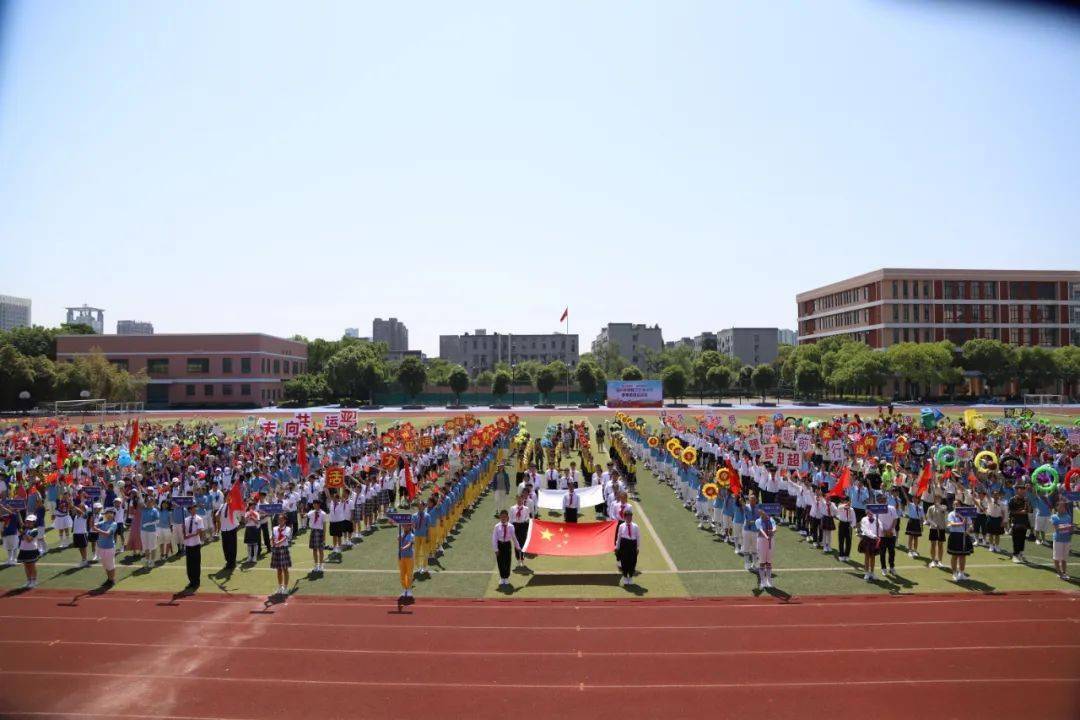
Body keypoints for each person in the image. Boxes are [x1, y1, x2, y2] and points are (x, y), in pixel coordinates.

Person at [492, 509, 520, 588]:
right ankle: (502, 577)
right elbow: (494, 538)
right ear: (500, 517)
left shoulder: (511, 527)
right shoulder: (497, 526)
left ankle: (506, 577)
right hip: (500, 545)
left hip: (507, 545)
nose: (503, 518)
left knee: (507, 561)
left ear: (508, 517)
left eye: (505, 517)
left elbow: (514, 537)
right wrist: (496, 549)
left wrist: (517, 546)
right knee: (500, 561)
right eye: (502, 517)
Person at [946, 503, 973, 582]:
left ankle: (961, 573)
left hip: (964, 536)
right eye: (955, 505)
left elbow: (970, 524)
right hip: (955, 535)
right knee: (954, 555)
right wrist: (961, 523)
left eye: (958, 505)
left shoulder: (965, 514)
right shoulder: (951, 514)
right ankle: (954, 573)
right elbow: (951, 524)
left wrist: (968, 530)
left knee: (963, 555)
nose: (956, 506)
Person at [93, 507, 119, 586]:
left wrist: (97, 529)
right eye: (106, 513)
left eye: (108, 513)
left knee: (110, 565)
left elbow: (107, 534)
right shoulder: (103, 522)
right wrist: (91, 520)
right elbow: (94, 526)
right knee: (105, 565)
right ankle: (109, 579)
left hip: (109, 548)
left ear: (112, 515)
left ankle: (112, 580)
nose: (106, 514)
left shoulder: (114, 524)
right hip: (101, 547)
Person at [182, 502, 204, 591]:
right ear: (189, 510)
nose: (194, 509)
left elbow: (199, 532)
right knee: (189, 564)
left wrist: (188, 536)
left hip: (195, 544)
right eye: (192, 508)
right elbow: (184, 531)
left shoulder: (199, 519)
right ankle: (191, 581)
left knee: (196, 564)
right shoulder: (186, 519)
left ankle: (196, 581)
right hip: (188, 544)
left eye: (195, 507)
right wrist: (183, 531)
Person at [1007, 485, 1032, 564]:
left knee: (1022, 539)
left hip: (1024, 522)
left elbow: (1030, 510)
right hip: (1015, 522)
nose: (1022, 491)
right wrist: (1021, 512)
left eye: (1023, 490)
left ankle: (1020, 553)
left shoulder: (1026, 500)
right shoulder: (1012, 500)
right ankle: (1015, 555)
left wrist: (1027, 504)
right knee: (1016, 540)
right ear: (1017, 490)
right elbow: (1011, 511)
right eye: (1020, 489)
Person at [616, 507, 640, 586]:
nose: (629, 518)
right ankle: (625, 576)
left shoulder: (635, 526)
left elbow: (638, 537)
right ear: (624, 517)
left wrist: (637, 547)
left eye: (630, 516)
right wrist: (617, 546)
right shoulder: (621, 526)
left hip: (632, 544)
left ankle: (631, 577)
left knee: (632, 561)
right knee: (624, 561)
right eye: (627, 517)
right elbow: (619, 537)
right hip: (624, 544)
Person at [1049, 499, 1073, 581]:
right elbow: (1057, 529)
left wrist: (1069, 528)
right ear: (1056, 507)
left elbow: (1069, 529)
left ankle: (1064, 573)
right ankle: (1060, 573)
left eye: (1064, 506)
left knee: (1064, 558)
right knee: (1056, 558)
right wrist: (1067, 527)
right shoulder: (1054, 517)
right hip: (1058, 540)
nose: (1063, 507)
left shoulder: (1068, 516)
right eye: (1061, 506)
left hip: (1067, 540)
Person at [270, 513, 293, 595]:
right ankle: (280, 586)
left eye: (281, 519)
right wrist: (272, 541)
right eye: (279, 519)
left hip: (284, 549)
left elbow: (285, 538)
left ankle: (286, 587)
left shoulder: (288, 529)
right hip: (276, 550)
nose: (280, 521)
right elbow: (272, 538)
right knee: (279, 569)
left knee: (285, 569)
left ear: (285, 520)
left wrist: (278, 542)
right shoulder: (274, 528)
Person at [755, 507, 777, 589]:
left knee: (769, 562)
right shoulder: (758, 521)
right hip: (761, 542)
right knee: (762, 562)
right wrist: (766, 536)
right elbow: (761, 530)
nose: (763, 513)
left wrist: (773, 531)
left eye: (764, 511)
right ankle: (762, 581)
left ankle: (769, 581)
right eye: (761, 511)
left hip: (770, 541)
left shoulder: (771, 519)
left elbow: (775, 527)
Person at [858, 508, 881, 582]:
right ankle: (866, 573)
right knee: (867, 556)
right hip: (867, 539)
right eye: (868, 511)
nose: (870, 512)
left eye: (871, 511)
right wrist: (874, 536)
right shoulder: (864, 519)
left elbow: (881, 528)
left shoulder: (877, 519)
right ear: (866, 512)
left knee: (873, 557)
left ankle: (872, 573)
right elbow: (865, 530)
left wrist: (879, 526)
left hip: (874, 540)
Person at [18, 515, 41, 588]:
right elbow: (21, 523)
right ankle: (28, 580)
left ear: (34, 522)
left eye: (30, 522)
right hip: (23, 549)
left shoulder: (35, 530)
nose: (28, 523)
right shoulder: (24, 529)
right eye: (27, 521)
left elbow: (29, 540)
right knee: (26, 565)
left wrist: (23, 533)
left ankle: (34, 581)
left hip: (31, 550)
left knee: (32, 566)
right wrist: (18, 513)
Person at [877, 499, 899, 576]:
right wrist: (883, 530)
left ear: (886, 501)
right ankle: (883, 568)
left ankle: (892, 568)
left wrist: (890, 529)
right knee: (882, 552)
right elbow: (877, 521)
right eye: (880, 501)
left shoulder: (892, 508)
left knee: (891, 552)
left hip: (891, 534)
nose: (882, 502)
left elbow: (895, 519)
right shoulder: (877, 509)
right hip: (882, 534)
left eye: (883, 501)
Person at [925, 496, 948, 569]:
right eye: (936, 499)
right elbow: (928, 518)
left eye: (939, 499)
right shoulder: (931, 508)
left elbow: (943, 510)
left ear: (941, 500)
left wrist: (938, 505)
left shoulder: (944, 507)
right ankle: (933, 561)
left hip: (941, 528)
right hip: (933, 528)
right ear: (934, 499)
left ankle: (940, 561)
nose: (937, 500)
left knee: (940, 545)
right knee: (933, 545)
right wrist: (934, 524)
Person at [509, 495, 531, 568]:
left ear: (523, 500)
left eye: (521, 499)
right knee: (516, 544)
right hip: (515, 526)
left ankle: (522, 559)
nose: (519, 501)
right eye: (518, 499)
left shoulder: (526, 508)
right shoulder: (512, 508)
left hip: (523, 526)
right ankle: (518, 559)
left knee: (523, 543)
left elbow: (527, 517)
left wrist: (526, 522)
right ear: (516, 499)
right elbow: (510, 519)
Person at [306, 499, 327, 573]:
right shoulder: (311, 512)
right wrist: (302, 513)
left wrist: (324, 535)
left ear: (319, 504)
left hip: (320, 532)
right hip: (313, 531)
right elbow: (305, 516)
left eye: (315, 504)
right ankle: (316, 565)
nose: (314, 505)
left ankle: (321, 565)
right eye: (313, 504)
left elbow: (324, 525)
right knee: (314, 549)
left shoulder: (323, 513)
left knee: (320, 549)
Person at [139, 497, 160, 568]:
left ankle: (152, 561)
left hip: (152, 531)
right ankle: (147, 560)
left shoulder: (155, 510)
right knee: (145, 546)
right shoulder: (143, 509)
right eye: (147, 501)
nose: (148, 502)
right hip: (143, 531)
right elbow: (140, 501)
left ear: (153, 502)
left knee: (153, 546)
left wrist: (148, 524)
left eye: (150, 501)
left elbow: (157, 521)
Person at [398, 520, 415, 602]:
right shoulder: (401, 535)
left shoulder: (411, 535)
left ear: (410, 527)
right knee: (402, 574)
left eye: (407, 525)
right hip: (401, 557)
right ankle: (404, 589)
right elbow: (398, 540)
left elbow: (409, 544)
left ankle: (409, 590)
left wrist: (403, 548)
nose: (405, 527)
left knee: (409, 574)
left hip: (409, 557)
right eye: (404, 525)